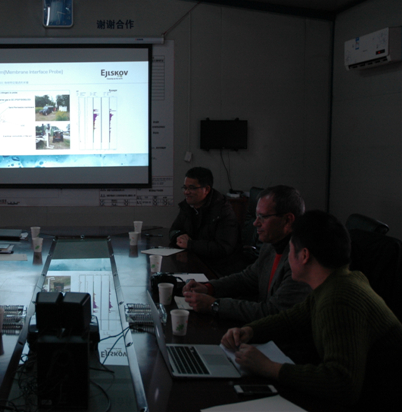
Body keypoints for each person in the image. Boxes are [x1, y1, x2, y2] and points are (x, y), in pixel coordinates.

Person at [221, 211, 402, 409]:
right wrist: (250, 330)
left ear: (304, 255)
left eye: (290, 251)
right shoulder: (339, 281)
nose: (288, 258)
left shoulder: (339, 300)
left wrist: (269, 367)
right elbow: (291, 319)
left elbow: (343, 384)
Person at [182, 185, 311, 323]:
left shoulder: (301, 261)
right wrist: (209, 288)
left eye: (263, 217)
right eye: (256, 216)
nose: (255, 223)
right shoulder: (270, 246)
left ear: (288, 220)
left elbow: (273, 312)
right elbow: (247, 279)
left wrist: (214, 305)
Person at [169, 167, 240, 274]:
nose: (186, 192)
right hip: (194, 262)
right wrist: (179, 236)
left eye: (191, 188)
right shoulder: (188, 206)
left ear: (206, 189)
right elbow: (173, 230)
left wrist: (190, 244)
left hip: (217, 268)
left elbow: (223, 248)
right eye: (185, 188)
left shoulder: (222, 210)